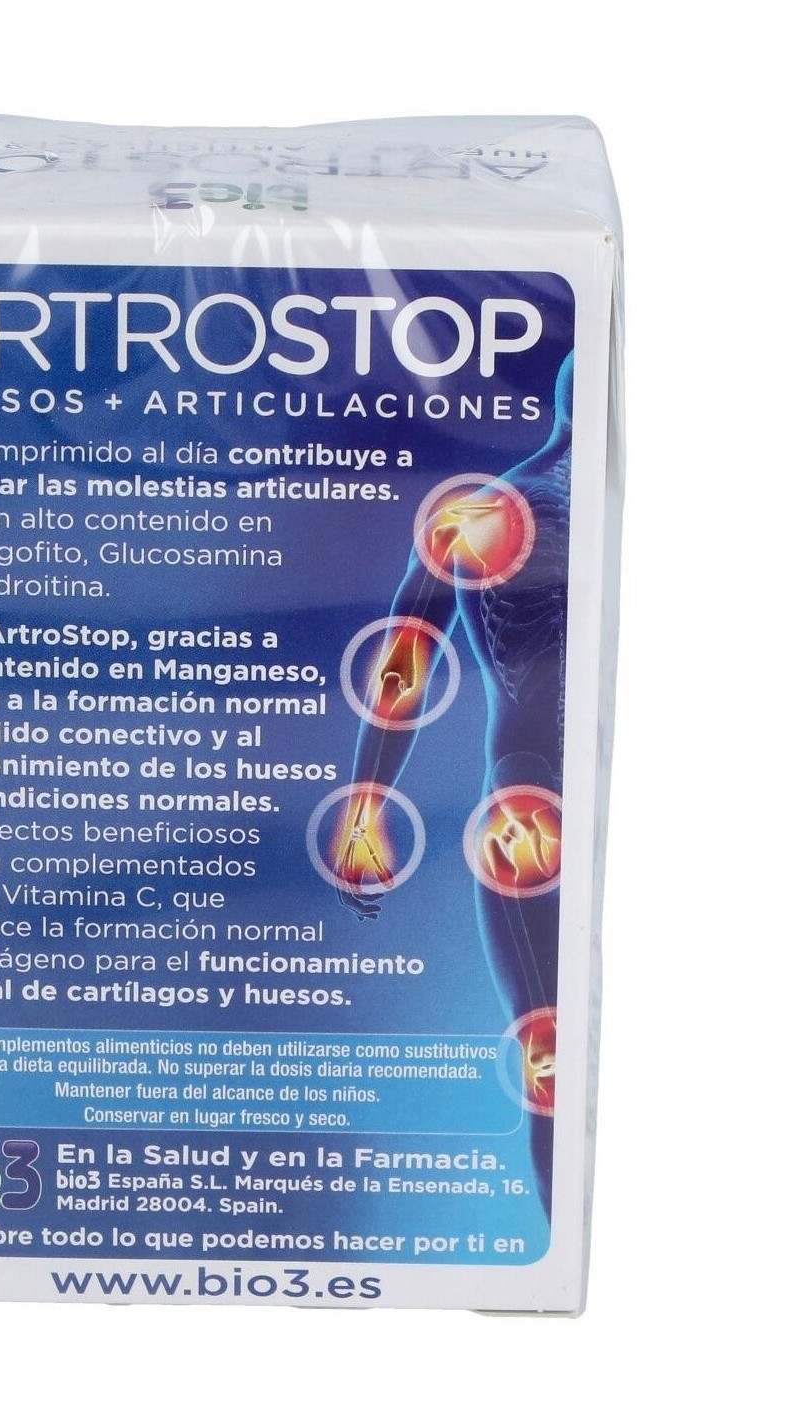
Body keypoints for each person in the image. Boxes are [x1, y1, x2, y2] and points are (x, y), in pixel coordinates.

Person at [334, 354, 573, 1217]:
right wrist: (365, 805)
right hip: (529, 812)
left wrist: (368, 805)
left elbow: (406, 654)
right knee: (553, 1053)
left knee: (558, 1052)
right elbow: (407, 652)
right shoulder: (493, 509)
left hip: (537, 804)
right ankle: (556, 1263)